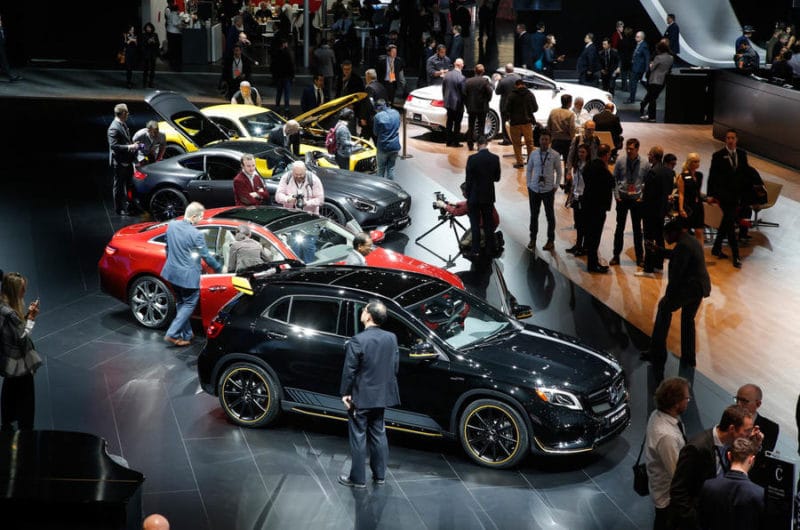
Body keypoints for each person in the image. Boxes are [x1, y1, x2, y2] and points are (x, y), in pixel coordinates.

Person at [669, 405, 764, 530]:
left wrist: (755, 445)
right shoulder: (696, 448)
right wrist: (696, 524)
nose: (749, 434)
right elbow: (678, 491)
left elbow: (744, 463)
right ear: (732, 429)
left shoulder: (731, 443)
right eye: (747, 431)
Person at [338, 300, 400, 489]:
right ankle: (380, 476)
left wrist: (345, 393)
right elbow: (394, 367)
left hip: (361, 397)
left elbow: (350, 370)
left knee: (358, 436)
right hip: (381, 396)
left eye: (364, 310)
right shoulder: (391, 338)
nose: (362, 312)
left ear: (369, 316)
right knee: (378, 434)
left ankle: (358, 479)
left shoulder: (358, 340)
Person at [643, 217, 711, 382]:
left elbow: (676, 276)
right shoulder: (689, 240)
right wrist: (658, 250)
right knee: (688, 320)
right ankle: (689, 359)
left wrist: (668, 297)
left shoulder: (683, 245)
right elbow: (675, 255)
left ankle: (656, 352)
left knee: (663, 308)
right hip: (700, 287)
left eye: (666, 235)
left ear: (674, 233)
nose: (665, 238)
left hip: (689, 287)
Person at [160, 202, 222, 346]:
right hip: (188, 277)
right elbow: (206, 256)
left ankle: (187, 334)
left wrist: (173, 262)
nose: (200, 220)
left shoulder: (172, 225)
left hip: (171, 273)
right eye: (200, 217)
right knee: (188, 304)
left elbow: (167, 247)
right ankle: (172, 333)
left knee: (181, 302)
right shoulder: (196, 234)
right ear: (194, 217)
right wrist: (219, 268)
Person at [645, 376, 691, 530]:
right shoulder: (667, 437)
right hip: (667, 498)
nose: (688, 401)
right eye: (686, 398)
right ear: (676, 403)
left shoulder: (657, 414)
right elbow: (676, 473)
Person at [0, 272, 40, 431]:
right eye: (22, 288)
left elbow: (14, 329)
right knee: (26, 402)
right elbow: (22, 336)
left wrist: (26, 316)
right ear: (15, 291)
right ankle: (26, 431)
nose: (25, 291)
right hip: (18, 363)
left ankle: (7, 425)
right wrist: (31, 318)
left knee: (9, 392)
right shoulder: (10, 313)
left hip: (8, 360)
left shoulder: (3, 307)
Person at [698, 438, 765, 530]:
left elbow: (701, 521)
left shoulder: (708, 485)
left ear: (729, 456)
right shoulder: (759, 494)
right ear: (752, 460)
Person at [708, 129, 747, 268]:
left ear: (736, 140)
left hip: (737, 195)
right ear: (725, 140)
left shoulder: (742, 154)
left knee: (726, 221)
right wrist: (710, 194)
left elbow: (745, 174)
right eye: (728, 138)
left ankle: (716, 247)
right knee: (730, 224)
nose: (730, 140)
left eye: (732, 138)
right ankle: (736, 255)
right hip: (723, 196)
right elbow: (712, 176)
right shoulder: (718, 155)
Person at [610, 138, 649, 267]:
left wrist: (642, 196)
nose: (628, 151)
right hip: (622, 199)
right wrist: (616, 195)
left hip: (636, 200)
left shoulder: (645, 163)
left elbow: (647, 182)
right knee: (619, 228)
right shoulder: (620, 161)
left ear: (637, 149)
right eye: (627, 148)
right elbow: (614, 179)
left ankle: (640, 258)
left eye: (631, 149)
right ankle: (616, 256)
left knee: (637, 230)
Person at [638, 146, 675, 276]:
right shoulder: (669, 172)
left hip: (650, 211)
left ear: (653, 156)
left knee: (648, 239)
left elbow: (648, 194)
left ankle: (648, 268)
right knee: (659, 238)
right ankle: (659, 265)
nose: (648, 156)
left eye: (649, 154)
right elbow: (669, 191)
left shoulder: (652, 172)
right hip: (661, 211)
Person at [526, 130, 562, 252]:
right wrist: (528, 184)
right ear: (539, 140)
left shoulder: (555, 155)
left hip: (548, 191)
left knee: (550, 216)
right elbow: (529, 169)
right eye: (542, 139)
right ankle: (532, 239)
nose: (544, 141)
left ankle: (550, 240)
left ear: (550, 141)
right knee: (533, 216)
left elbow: (559, 171)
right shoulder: (533, 154)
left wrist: (556, 185)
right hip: (534, 190)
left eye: (546, 139)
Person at [464, 135, 500, 258]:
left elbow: (468, 180)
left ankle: (476, 250)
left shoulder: (472, 159)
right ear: (487, 143)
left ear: (477, 144)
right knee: (488, 224)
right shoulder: (495, 158)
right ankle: (490, 250)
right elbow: (497, 178)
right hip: (488, 196)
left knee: (475, 224)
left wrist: (468, 195)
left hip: (474, 196)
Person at [582, 143, 614, 273]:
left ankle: (593, 262)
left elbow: (584, 174)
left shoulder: (589, 165)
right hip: (598, 207)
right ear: (607, 155)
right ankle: (592, 265)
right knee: (595, 237)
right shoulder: (602, 169)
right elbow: (612, 182)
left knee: (590, 235)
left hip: (587, 204)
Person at [107, 103, 139, 216]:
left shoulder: (123, 124)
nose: (128, 114)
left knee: (130, 185)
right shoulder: (113, 128)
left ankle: (130, 205)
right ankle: (119, 209)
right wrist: (130, 147)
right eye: (127, 112)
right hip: (120, 162)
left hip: (128, 160)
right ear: (123, 113)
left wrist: (133, 145)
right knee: (119, 187)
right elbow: (114, 146)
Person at [735, 384, 779, 454]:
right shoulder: (730, 417)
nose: (738, 404)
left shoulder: (770, 428)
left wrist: (756, 445)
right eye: (737, 399)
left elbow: (764, 456)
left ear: (758, 404)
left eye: (744, 401)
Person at [505, 77, 538, 168]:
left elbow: (507, 109)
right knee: (529, 143)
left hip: (515, 122)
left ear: (516, 85)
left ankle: (520, 162)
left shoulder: (512, 95)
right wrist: (528, 110)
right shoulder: (530, 94)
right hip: (527, 122)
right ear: (524, 85)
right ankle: (530, 162)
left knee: (516, 143)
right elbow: (535, 108)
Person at [564, 143, 590, 256]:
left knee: (584, 223)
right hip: (576, 196)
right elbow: (575, 181)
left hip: (584, 197)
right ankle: (578, 245)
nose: (580, 154)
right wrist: (570, 196)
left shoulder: (589, 166)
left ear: (588, 153)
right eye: (579, 152)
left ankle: (584, 247)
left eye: (583, 152)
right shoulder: (577, 164)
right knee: (578, 223)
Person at [640, 41, 674, 122]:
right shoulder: (671, 58)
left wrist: (651, 64)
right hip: (663, 81)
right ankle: (648, 113)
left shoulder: (658, 58)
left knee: (652, 99)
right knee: (652, 97)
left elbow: (652, 68)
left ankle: (652, 117)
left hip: (654, 80)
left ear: (659, 49)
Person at [676, 153, 705, 243]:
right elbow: (681, 194)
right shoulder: (682, 176)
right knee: (684, 232)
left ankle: (700, 252)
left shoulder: (699, 175)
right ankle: (683, 250)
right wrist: (681, 209)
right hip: (687, 206)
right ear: (690, 163)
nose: (697, 164)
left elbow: (698, 191)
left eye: (698, 161)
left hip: (698, 207)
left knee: (699, 231)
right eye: (695, 162)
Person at [464, 64, 493, 151]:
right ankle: (480, 145)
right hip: (482, 108)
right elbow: (490, 93)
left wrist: (467, 104)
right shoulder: (485, 81)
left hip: (471, 108)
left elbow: (464, 94)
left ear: (474, 71)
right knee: (481, 127)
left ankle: (470, 145)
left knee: (471, 126)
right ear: (483, 72)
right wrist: (486, 101)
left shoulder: (468, 81)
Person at [373, 99, 401, 180]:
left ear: (378, 108)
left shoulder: (378, 116)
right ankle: (390, 186)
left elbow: (375, 133)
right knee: (391, 169)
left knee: (380, 170)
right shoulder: (396, 113)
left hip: (383, 147)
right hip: (395, 146)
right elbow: (398, 126)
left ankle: (380, 186)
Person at [494, 63, 520, 146]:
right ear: (513, 69)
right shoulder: (518, 78)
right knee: (515, 123)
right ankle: (515, 139)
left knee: (505, 122)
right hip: (516, 104)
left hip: (505, 105)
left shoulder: (503, 80)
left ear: (506, 70)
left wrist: (498, 81)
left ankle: (506, 140)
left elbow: (497, 92)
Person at [442, 58, 465, 147]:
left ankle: (448, 141)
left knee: (449, 122)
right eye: (462, 64)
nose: (463, 65)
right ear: (461, 65)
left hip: (448, 103)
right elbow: (463, 93)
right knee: (457, 124)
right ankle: (456, 142)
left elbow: (443, 89)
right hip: (458, 104)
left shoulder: (447, 75)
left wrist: (445, 100)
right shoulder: (461, 77)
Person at [546, 94, 576, 164]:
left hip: (555, 140)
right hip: (566, 141)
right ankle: (566, 171)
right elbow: (572, 128)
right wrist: (573, 139)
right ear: (570, 103)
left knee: (553, 162)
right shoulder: (570, 114)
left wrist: (551, 136)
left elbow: (548, 125)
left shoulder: (553, 111)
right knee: (567, 161)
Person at [271, 38, 294, 115]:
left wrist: (274, 76)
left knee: (279, 92)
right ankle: (286, 108)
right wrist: (292, 76)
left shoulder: (276, 53)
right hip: (286, 76)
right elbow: (291, 65)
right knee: (287, 93)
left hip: (279, 76)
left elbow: (273, 65)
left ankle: (277, 106)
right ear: (284, 44)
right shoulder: (288, 53)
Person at [626, 31, 650, 104]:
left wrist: (646, 70)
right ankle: (632, 97)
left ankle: (631, 99)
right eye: (636, 36)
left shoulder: (644, 46)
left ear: (642, 38)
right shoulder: (638, 44)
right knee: (634, 83)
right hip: (634, 67)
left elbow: (647, 58)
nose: (635, 38)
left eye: (637, 37)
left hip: (638, 68)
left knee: (633, 83)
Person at [0, 14, 21, 82]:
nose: (0, 21)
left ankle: (11, 77)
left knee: (4, 61)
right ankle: (11, 77)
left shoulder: (1, 27)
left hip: (1, 45)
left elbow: (3, 36)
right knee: (4, 61)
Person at [165, 0, 184, 71]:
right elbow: (176, 24)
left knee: (172, 47)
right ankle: (174, 61)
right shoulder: (174, 15)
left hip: (170, 32)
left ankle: (172, 60)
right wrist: (182, 27)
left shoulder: (171, 14)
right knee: (175, 48)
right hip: (174, 33)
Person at [140, 22, 160, 88]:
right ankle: (144, 83)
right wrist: (148, 42)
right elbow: (142, 45)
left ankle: (151, 83)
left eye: (149, 27)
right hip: (146, 54)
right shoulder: (143, 35)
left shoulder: (155, 34)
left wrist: (154, 42)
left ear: (152, 28)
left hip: (153, 54)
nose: (148, 29)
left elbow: (158, 44)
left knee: (152, 69)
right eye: (147, 28)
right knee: (145, 69)